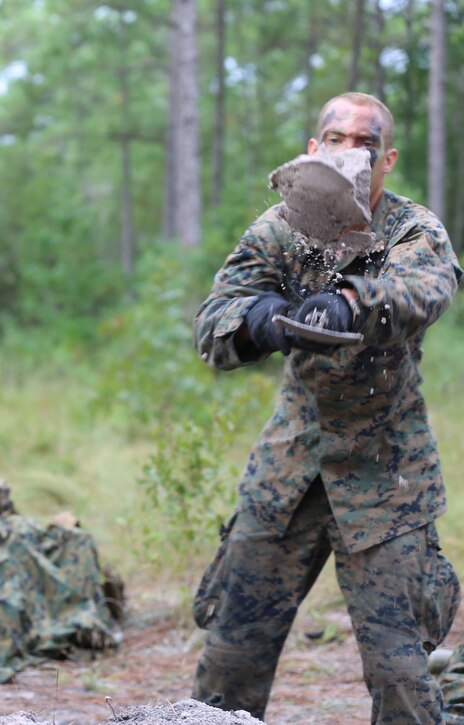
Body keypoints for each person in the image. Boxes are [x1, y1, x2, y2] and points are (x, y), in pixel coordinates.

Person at [191, 91, 462, 724]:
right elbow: (214, 324)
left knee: (400, 672)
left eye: (364, 143)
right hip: (289, 468)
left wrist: (349, 301)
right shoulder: (280, 228)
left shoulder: (412, 229)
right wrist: (259, 320)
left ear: (386, 159)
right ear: (313, 148)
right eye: (335, 139)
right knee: (230, 661)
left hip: (385, 474)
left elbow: (424, 288)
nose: (348, 152)